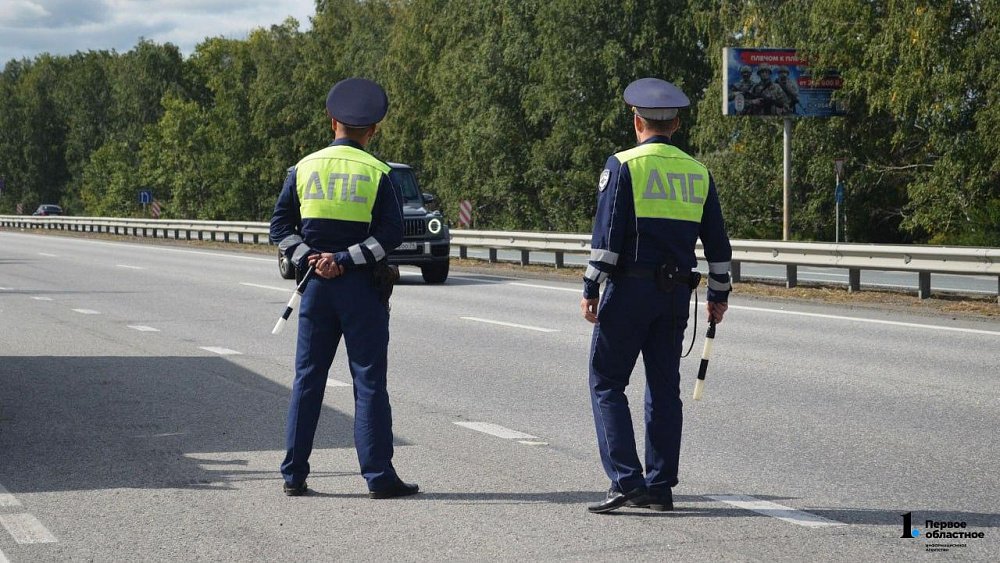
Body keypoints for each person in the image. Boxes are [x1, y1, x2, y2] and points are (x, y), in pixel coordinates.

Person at [580, 77, 732, 514]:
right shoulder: (698, 172)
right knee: (665, 390)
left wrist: (590, 286)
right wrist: (718, 296)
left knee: (607, 382)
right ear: (677, 124)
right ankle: (661, 486)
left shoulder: (624, 165)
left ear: (636, 121)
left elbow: (607, 239)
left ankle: (627, 481)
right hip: (673, 297)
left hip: (629, 290)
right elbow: (719, 247)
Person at [270, 77, 417, 499]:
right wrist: (346, 259)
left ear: (331, 121)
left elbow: (279, 227)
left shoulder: (303, 168)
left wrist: (310, 257)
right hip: (362, 290)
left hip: (314, 286)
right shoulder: (379, 173)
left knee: (308, 379)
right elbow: (391, 234)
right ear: (372, 130)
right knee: (368, 381)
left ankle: (294, 473)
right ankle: (378, 477)